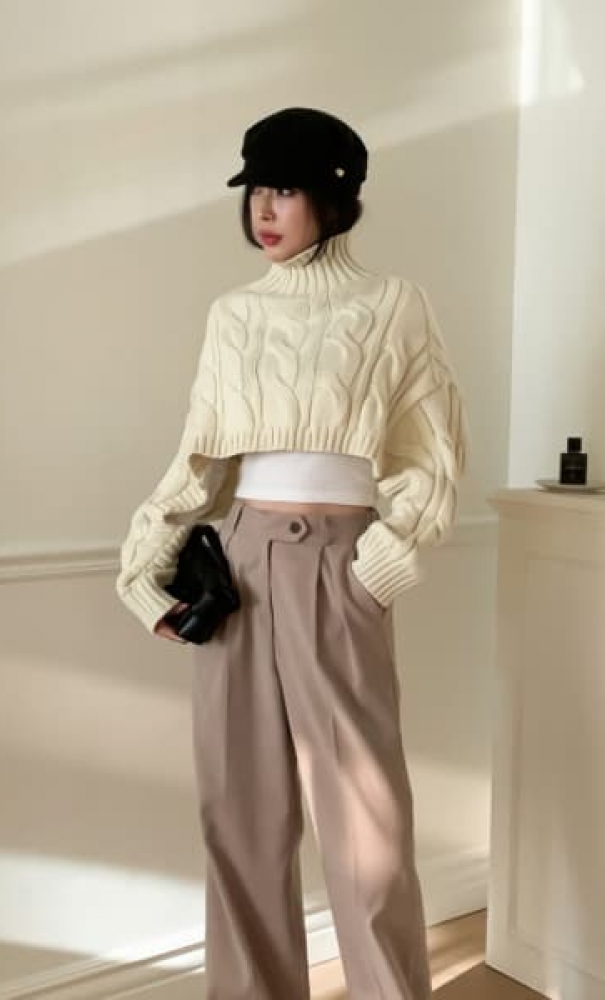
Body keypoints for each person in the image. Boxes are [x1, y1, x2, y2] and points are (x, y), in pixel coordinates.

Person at [117, 107, 467, 1000]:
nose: (263, 212)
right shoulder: (232, 315)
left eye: (283, 191)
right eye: (254, 193)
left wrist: (379, 565)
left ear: (334, 197)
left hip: (337, 567)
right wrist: (144, 573)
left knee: (366, 831)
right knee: (239, 816)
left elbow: (432, 455)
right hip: (239, 565)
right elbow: (200, 461)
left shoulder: (394, 306)